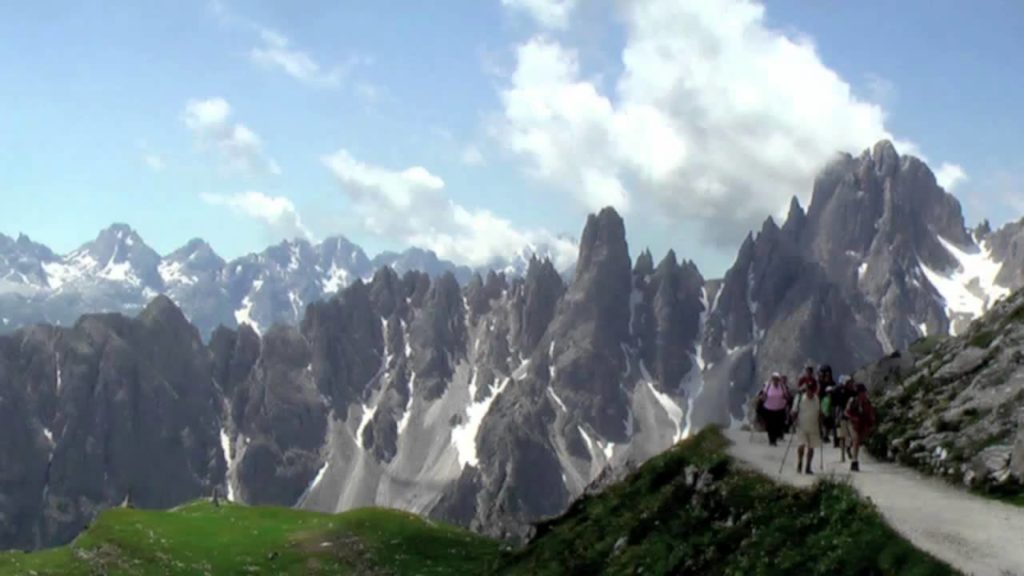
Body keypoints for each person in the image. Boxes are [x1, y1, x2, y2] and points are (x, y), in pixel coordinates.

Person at [793, 379, 822, 474]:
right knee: (801, 445)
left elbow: (818, 411)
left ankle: (808, 466)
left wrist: (821, 418)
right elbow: (793, 411)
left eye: (812, 389)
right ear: (806, 389)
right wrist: (794, 416)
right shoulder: (800, 398)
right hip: (802, 426)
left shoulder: (816, 399)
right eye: (809, 389)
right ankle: (800, 462)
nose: (810, 392)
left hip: (813, 426)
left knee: (811, 447)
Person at [845, 383, 876, 472]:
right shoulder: (852, 401)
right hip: (852, 423)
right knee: (856, 439)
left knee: (859, 441)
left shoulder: (867, 402)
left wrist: (871, 422)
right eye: (862, 392)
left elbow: (871, 413)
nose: (864, 394)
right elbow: (847, 412)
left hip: (862, 424)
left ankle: (850, 447)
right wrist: (853, 418)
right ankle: (854, 461)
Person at [757, 373, 791, 446]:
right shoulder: (768, 386)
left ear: (778, 379)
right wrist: (762, 398)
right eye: (774, 378)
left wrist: (787, 400)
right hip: (769, 408)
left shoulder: (782, 386)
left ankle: (775, 439)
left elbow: (785, 395)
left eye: (777, 379)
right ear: (772, 379)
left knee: (777, 425)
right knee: (770, 425)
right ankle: (771, 440)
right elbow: (764, 394)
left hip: (779, 408)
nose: (775, 380)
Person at [833, 375, 857, 459]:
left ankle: (848, 449)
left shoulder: (853, 393)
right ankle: (842, 454)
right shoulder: (840, 391)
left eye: (851, 382)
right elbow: (836, 403)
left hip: (851, 416)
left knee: (851, 435)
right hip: (842, 416)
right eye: (849, 382)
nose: (851, 384)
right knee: (842, 435)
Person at [817, 365, 836, 443]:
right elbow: (818, 392)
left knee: (828, 420)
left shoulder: (831, 382)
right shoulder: (820, 382)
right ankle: (822, 434)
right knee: (822, 419)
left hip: (829, 403)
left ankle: (825, 435)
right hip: (822, 402)